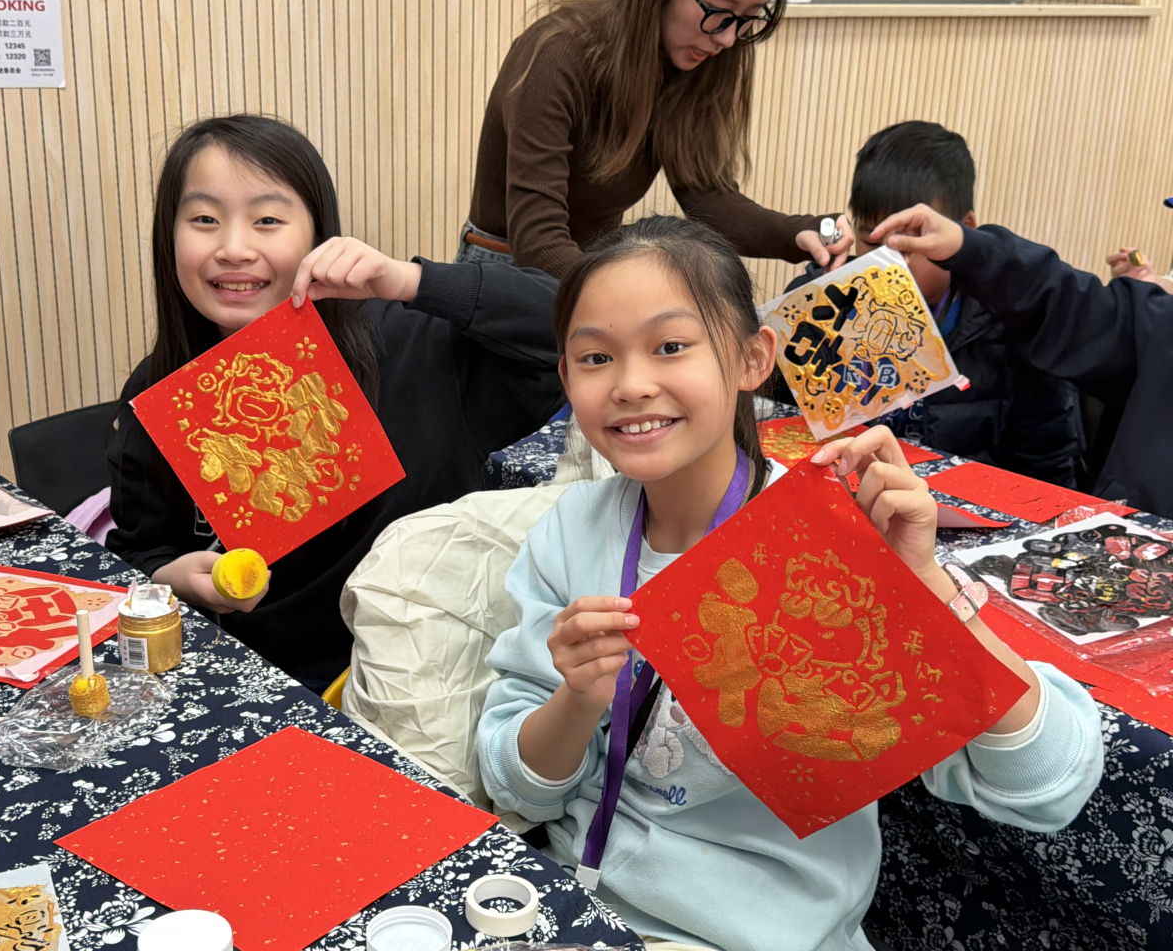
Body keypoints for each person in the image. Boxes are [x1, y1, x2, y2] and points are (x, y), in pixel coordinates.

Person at [477, 216, 1102, 950]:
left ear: (753, 359)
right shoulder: (569, 531)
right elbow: (518, 787)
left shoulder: (829, 541)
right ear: (566, 379)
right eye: (595, 357)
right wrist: (578, 700)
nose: (631, 384)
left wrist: (925, 585)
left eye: (671, 346)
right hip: (574, 902)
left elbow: (1048, 785)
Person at [107, 115, 564, 692]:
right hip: (260, 685)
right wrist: (174, 576)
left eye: (267, 220)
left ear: (317, 234)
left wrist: (410, 281)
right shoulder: (158, 391)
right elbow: (136, 550)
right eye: (204, 220)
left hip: (424, 685)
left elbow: (568, 329)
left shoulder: (415, 346)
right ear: (168, 238)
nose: (234, 248)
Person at [769, 121, 1086, 487]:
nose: (888, 263)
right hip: (840, 494)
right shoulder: (817, 307)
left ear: (965, 231)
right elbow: (775, 428)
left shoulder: (1011, 326)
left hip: (958, 507)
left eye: (909, 243)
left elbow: (1047, 477)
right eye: (872, 242)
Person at [460, 0, 854, 277]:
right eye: (718, 10)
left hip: (591, 268)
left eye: (749, 17)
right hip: (506, 269)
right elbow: (538, 241)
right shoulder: (558, 53)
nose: (728, 38)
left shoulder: (694, 61)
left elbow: (707, 197)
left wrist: (799, 232)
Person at [870, 203, 1173, 519]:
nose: (893, 260)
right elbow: (1064, 301)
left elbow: (1049, 460)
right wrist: (968, 248)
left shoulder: (1002, 339)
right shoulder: (1150, 326)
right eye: (873, 241)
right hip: (1123, 537)